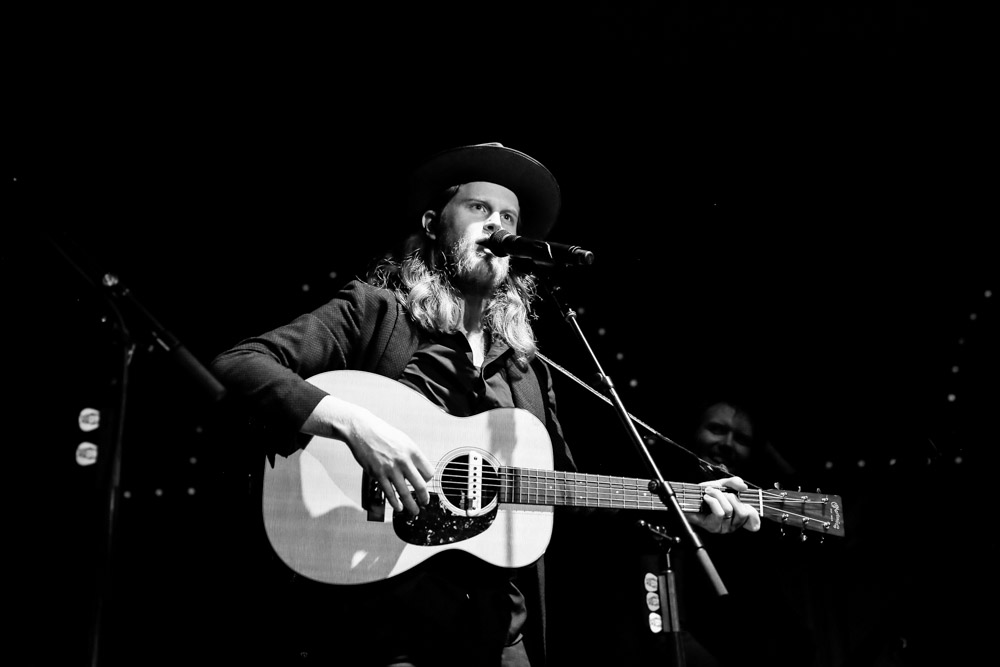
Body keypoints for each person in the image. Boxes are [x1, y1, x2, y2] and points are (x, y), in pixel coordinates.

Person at [210, 142, 761, 667]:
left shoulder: (526, 366)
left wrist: (682, 504)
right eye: (480, 207)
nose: (498, 224)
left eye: (510, 218)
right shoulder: (377, 313)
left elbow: (567, 495)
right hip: (383, 628)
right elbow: (240, 364)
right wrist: (355, 425)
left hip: (500, 638)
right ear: (433, 224)